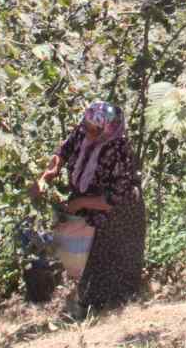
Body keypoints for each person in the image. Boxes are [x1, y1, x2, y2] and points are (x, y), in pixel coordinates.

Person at [34, 101, 146, 316]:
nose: (86, 131)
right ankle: (89, 304)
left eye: (93, 129)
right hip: (89, 202)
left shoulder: (119, 149)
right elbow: (63, 150)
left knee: (108, 258)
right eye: (85, 125)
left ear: (107, 131)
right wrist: (51, 170)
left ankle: (109, 308)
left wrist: (80, 203)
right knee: (84, 256)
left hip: (119, 211)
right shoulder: (83, 130)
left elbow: (113, 197)